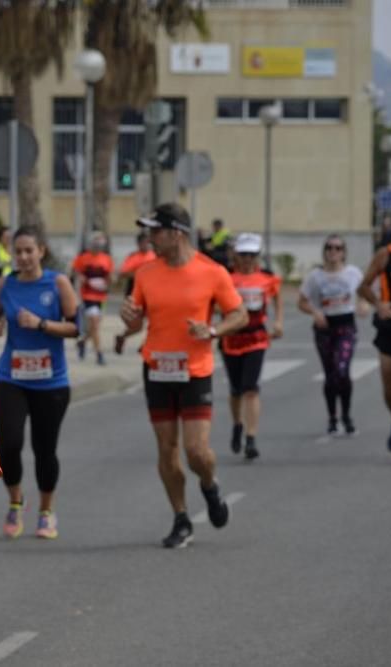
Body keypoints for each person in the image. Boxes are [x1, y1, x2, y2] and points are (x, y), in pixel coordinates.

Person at [120, 203, 247, 549]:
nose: (150, 239)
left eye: (155, 232)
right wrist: (128, 316)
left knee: (197, 451)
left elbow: (240, 314)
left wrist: (213, 330)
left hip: (195, 370)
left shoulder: (212, 272)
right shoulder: (145, 274)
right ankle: (181, 517)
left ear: (176, 233)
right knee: (167, 449)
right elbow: (134, 323)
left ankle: (209, 485)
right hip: (157, 368)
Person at [0, 225, 78, 539]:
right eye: (18, 251)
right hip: (11, 376)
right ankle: (16, 502)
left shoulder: (58, 283)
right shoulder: (6, 284)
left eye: (29, 250)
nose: (23, 257)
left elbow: (74, 328)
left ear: (41, 251)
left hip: (51, 381)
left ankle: (46, 510)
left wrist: (41, 324)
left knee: (44, 449)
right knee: (8, 445)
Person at [220, 233, 283, 460]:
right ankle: (237, 424)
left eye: (252, 255)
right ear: (236, 255)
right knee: (236, 389)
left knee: (251, 387)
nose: (247, 259)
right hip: (231, 338)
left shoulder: (267, 278)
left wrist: (278, 322)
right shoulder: (226, 277)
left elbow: (277, 298)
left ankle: (251, 437)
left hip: (256, 337)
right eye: (243, 254)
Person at [358, 212, 391, 463]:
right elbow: (363, 285)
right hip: (390, 324)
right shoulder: (385, 255)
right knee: (389, 386)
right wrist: (378, 304)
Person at [299, 235, 364, 436]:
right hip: (325, 328)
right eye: (329, 247)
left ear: (344, 252)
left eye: (337, 248)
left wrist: (363, 303)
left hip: (345, 326)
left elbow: (365, 290)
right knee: (330, 375)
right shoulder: (315, 277)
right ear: (324, 251)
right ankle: (332, 417)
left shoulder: (353, 273)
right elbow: (302, 301)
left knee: (341, 370)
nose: (333, 251)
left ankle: (346, 414)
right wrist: (315, 312)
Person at [71, 231, 113, 365]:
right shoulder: (83, 258)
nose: (98, 245)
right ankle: (99, 354)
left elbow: (110, 277)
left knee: (95, 327)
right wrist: (84, 280)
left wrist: (108, 283)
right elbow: (76, 272)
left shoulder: (106, 259)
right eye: (95, 242)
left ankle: (82, 342)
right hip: (88, 295)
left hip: (101, 296)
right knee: (94, 323)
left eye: (100, 242)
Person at [114, 231, 156, 354]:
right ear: (138, 244)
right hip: (134, 294)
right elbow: (123, 273)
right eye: (143, 243)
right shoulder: (133, 257)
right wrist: (139, 273)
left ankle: (145, 345)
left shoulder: (153, 255)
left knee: (155, 321)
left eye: (148, 243)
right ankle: (122, 337)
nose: (146, 245)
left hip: (151, 293)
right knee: (137, 326)